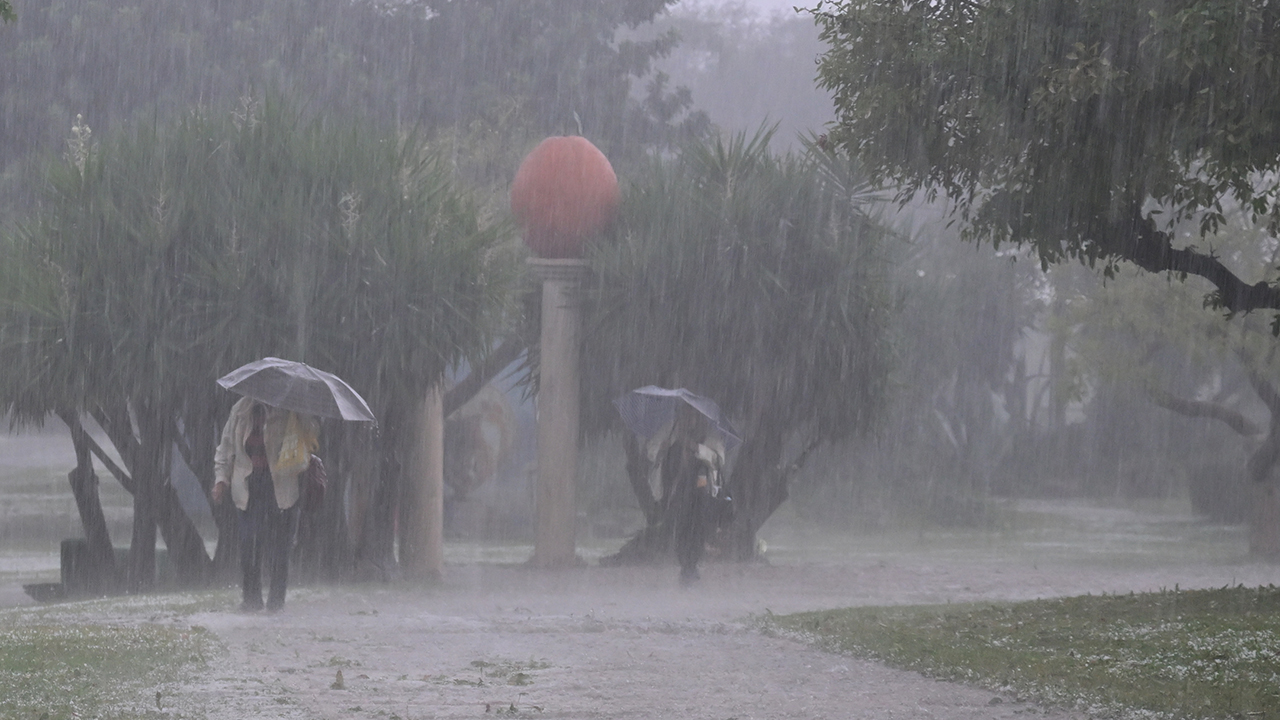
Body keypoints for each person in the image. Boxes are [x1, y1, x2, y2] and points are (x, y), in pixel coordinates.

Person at [213, 397, 318, 612]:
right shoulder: (240, 410)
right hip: (249, 487)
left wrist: (301, 413)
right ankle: (251, 600)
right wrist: (221, 480)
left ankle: (276, 603)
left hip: (282, 485)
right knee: (248, 543)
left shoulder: (290, 410)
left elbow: (311, 434)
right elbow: (225, 448)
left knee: (281, 548)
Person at [659, 403, 728, 585]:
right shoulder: (674, 437)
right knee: (680, 529)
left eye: (692, 416)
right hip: (680, 494)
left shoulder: (711, 438)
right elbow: (664, 466)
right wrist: (665, 450)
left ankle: (692, 565)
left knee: (697, 529)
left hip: (702, 493)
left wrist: (696, 448)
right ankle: (685, 565)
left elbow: (718, 460)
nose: (688, 420)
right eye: (685, 415)